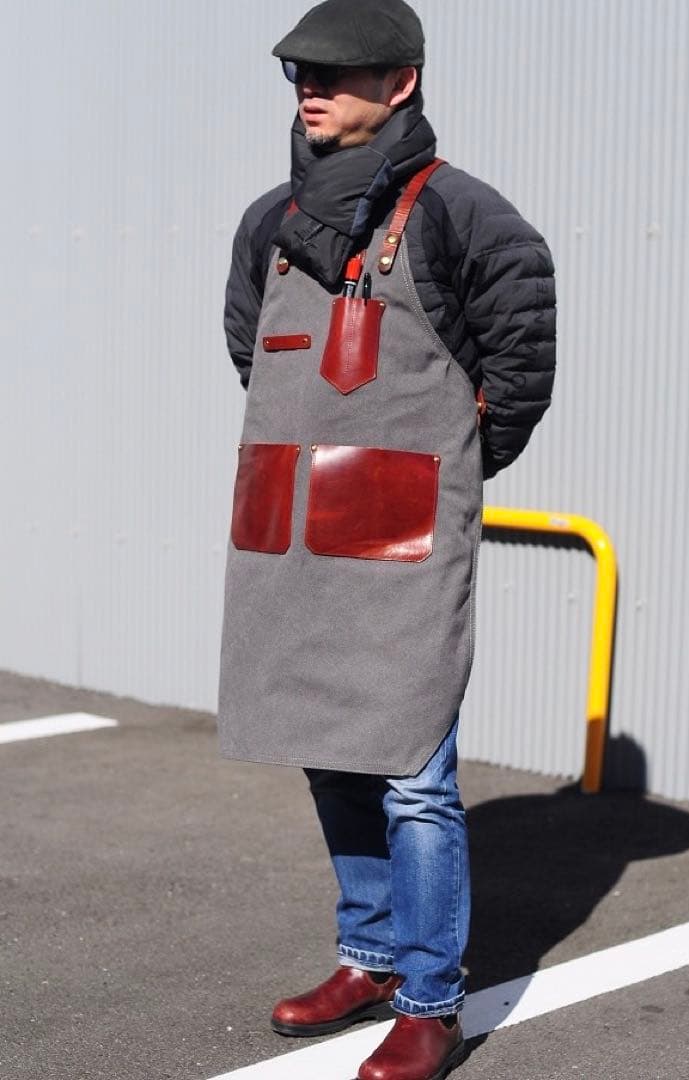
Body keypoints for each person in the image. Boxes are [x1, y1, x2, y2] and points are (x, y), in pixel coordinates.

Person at [217, 1, 556, 1076]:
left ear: (400, 82)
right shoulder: (269, 221)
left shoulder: (464, 214)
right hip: (295, 534)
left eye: (335, 73)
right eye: (300, 75)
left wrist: (438, 474)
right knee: (330, 750)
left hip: (404, 538)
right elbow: (250, 352)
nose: (311, 90)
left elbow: (521, 360)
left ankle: (430, 1000)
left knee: (412, 772)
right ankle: (365, 956)